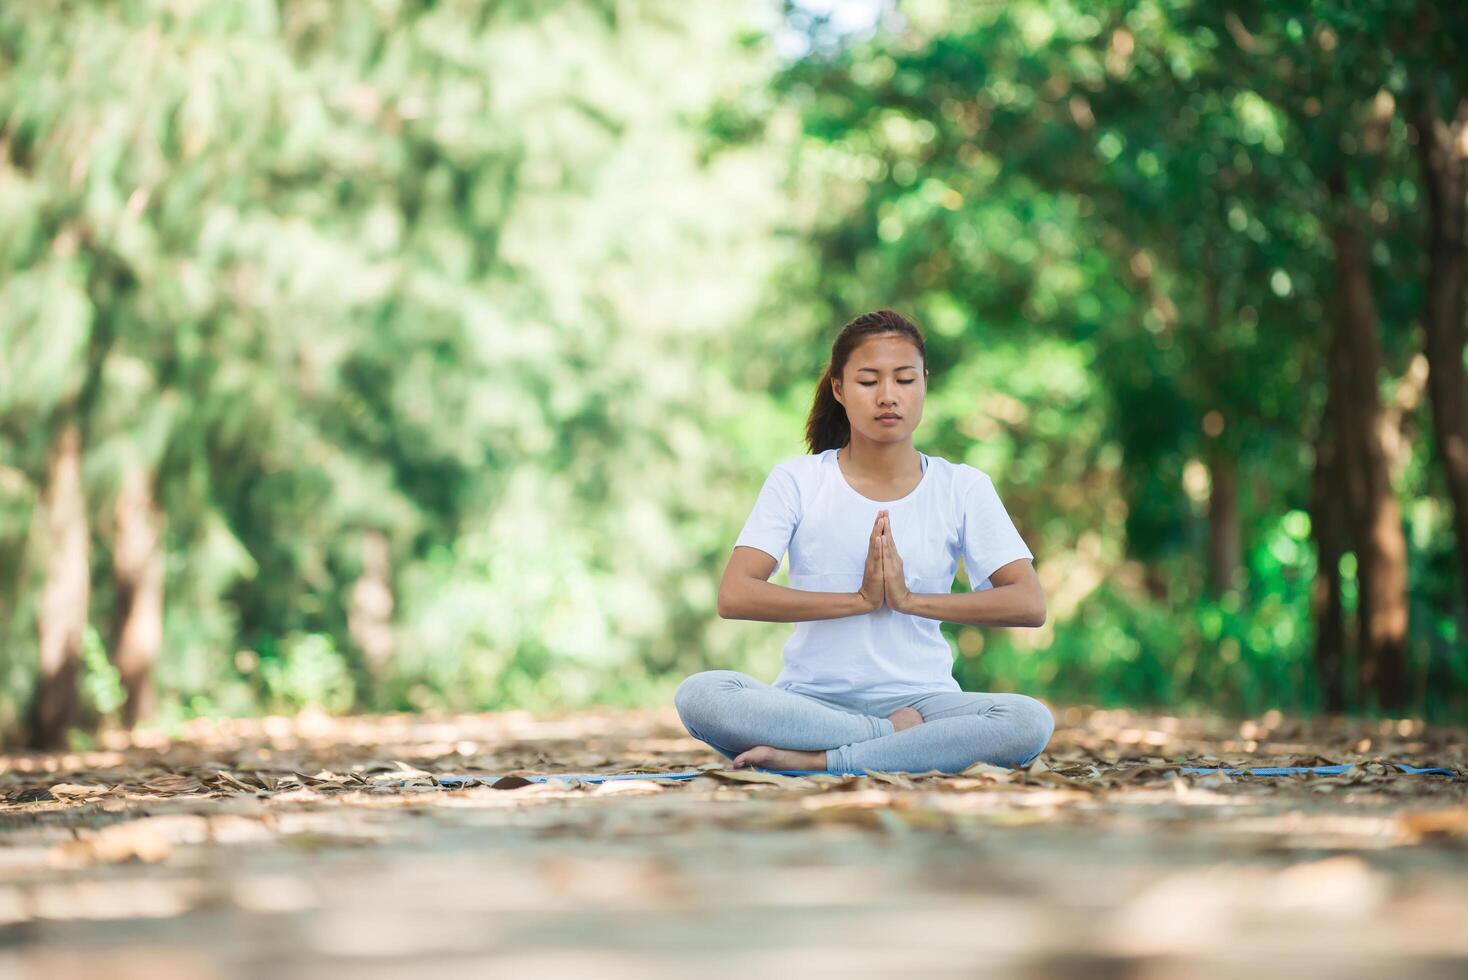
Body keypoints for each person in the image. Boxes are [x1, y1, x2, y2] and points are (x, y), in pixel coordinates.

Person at [674, 310, 1054, 774]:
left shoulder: (963, 487)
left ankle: (824, 760)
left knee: (1027, 722)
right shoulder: (799, 480)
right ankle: (887, 741)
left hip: (924, 702)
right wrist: (858, 600)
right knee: (701, 695)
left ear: (924, 385)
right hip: (810, 704)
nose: (888, 396)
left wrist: (910, 600)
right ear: (839, 389)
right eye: (869, 381)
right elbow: (735, 594)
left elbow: (1028, 603)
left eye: (905, 379)